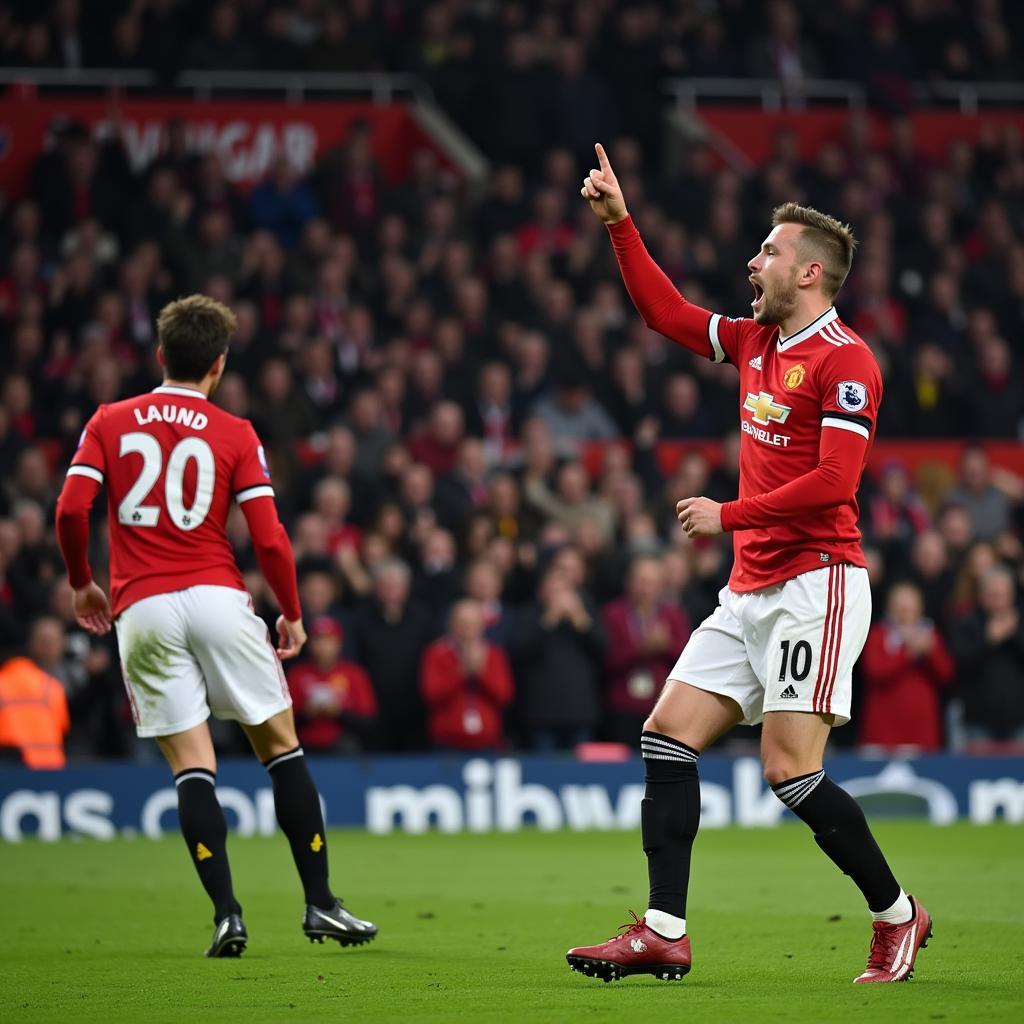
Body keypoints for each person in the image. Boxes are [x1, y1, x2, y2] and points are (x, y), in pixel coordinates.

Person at [567, 144, 930, 985]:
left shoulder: (846, 360)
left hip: (818, 583)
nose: (752, 260)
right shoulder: (755, 339)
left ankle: (897, 914)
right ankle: (663, 929)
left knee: (788, 772)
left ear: (809, 273)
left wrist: (726, 513)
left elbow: (835, 482)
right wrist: (621, 225)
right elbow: (664, 313)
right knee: (665, 736)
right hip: (749, 588)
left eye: (767, 250)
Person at [54, 295, 376, 957]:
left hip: (140, 607)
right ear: (219, 365)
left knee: (191, 768)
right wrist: (291, 610)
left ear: (160, 355)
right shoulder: (235, 432)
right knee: (281, 749)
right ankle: (320, 904)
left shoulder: (109, 421)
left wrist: (81, 580)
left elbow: (68, 509)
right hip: (215, 594)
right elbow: (272, 541)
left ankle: (227, 915)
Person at [859, 582, 954, 752]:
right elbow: (874, 671)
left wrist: (930, 653)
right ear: (890, 609)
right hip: (883, 731)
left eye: (910, 609)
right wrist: (908, 654)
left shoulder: (929, 635)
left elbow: (946, 674)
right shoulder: (879, 634)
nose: (905, 615)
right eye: (900, 609)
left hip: (921, 732)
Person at [420, 599, 514, 752]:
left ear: (481, 625)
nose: (467, 628)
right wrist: (461, 672)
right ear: (451, 624)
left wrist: (481, 674)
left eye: (472, 622)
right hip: (447, 743)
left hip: (488, 743)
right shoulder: (437, 653)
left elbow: (504, 695)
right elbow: (431, 694)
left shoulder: (494, 654)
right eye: (462, 622)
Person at [286, 616, 377, 753]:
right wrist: (306, 713)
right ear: (310, 644)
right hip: (304, 744)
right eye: (318, 640)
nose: (323, 646)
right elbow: (283, 724)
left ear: (339, 643)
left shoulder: (354, 674)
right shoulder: (297, 674)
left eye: (329, 640)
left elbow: (368, 721)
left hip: (342, 745)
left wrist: (339, 712)